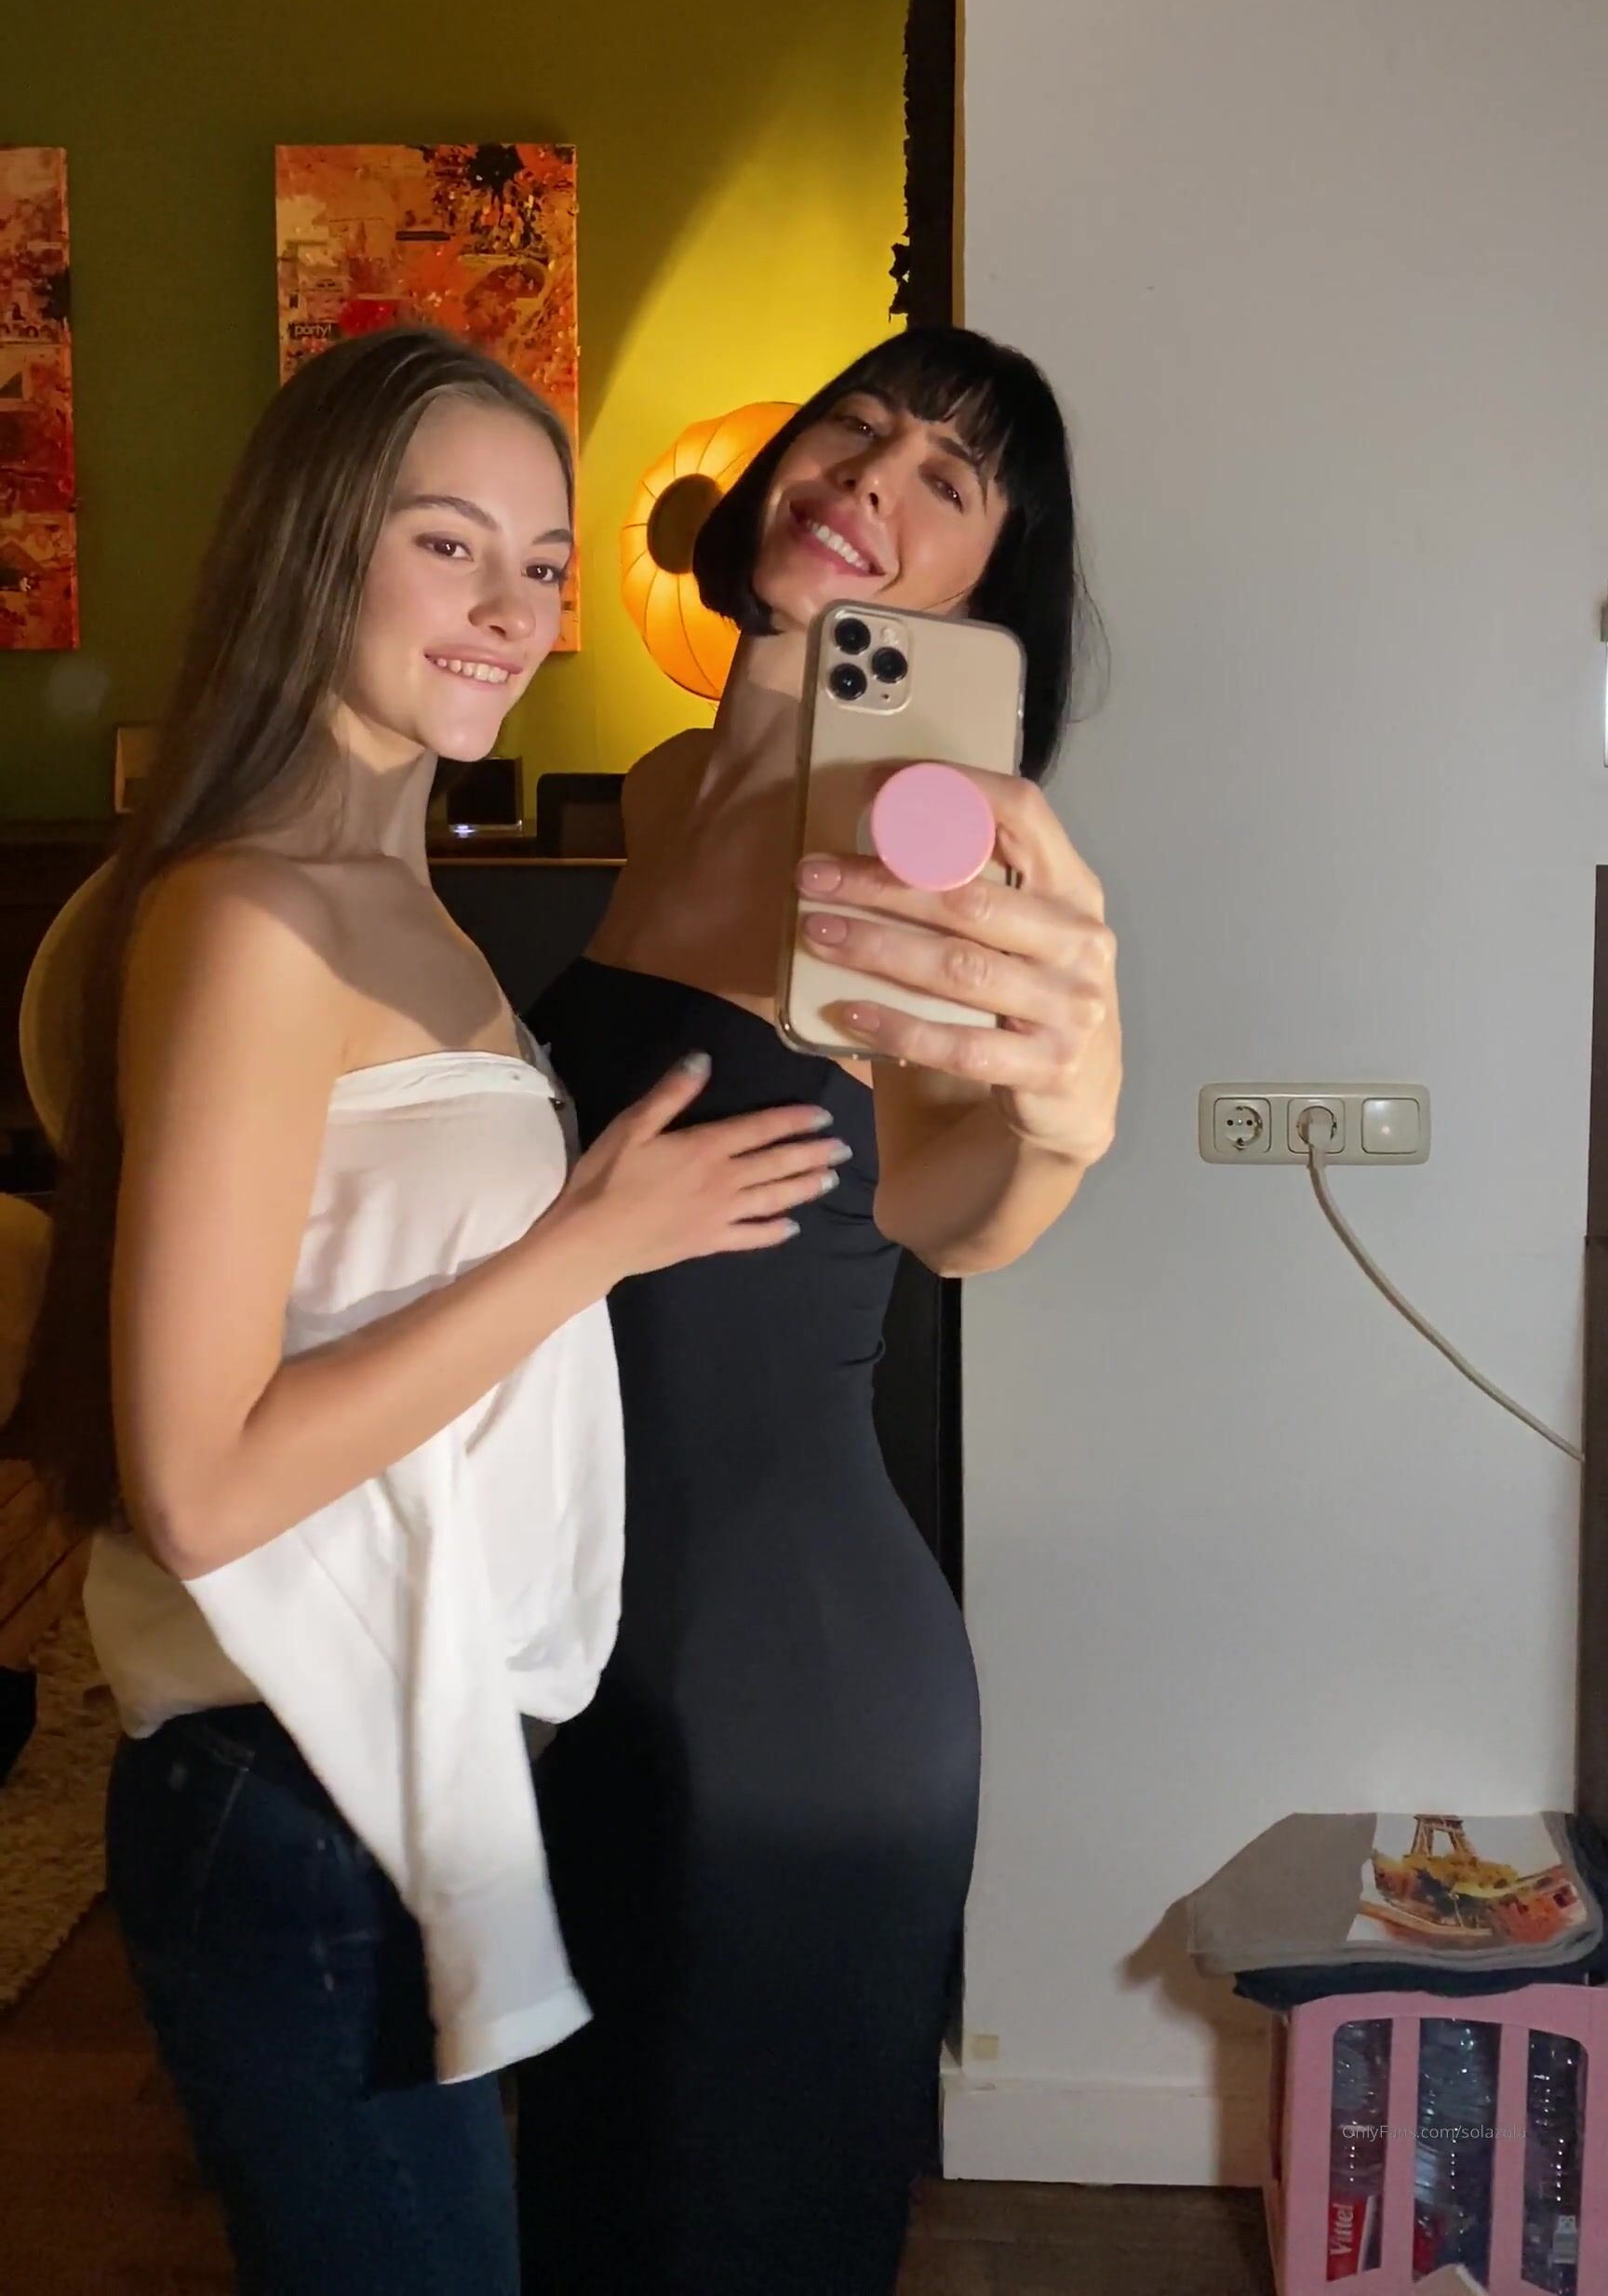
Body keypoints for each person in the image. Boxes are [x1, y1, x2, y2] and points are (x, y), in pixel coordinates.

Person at [8, 327, 846, 2296]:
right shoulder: (249, 914)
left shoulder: (398, 899)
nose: (513, 612)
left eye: (543, 564)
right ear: (314, 547)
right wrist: (592, 1241)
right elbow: (203, 1487)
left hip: (402, 1755)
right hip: (293, 1782)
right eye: (450, 545)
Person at [516, 326, 1121, 2296]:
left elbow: (948, 1204)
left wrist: (1057, 1132)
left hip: (794, 1675)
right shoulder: (668, 783)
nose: (873, 478)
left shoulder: (923, 849)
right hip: (595, 1634)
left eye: (950, 480)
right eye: (860, 425)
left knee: (746, 2222)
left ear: (985, 592)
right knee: (594, 2194)